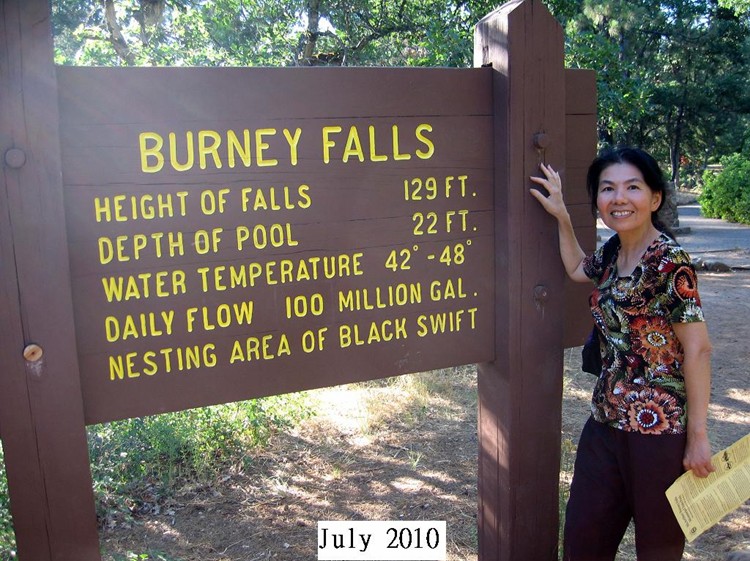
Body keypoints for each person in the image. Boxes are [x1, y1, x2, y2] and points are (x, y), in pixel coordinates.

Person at [529, 147, 715, 561]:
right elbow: (578, 268)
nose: (619, 198)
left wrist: (698, 437)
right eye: (607, 188)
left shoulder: (670, 263)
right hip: (605, 421)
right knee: (583, 540)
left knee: (658, 548)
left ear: (655, 198)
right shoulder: (613, 251)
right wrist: (561, 214)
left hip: (659, 432)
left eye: (633, 187)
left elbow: (698, 349)